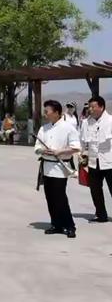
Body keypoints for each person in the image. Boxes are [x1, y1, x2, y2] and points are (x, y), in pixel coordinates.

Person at [34, 100, 81, 238]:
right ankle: (56, 224)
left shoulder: (68, 128)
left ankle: (70, 226)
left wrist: (60, 152)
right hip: (47, 166)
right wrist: (42, 151)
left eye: (47, 111)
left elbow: (76, 147)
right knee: (50, 197)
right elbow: (37, 147)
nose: (45, 114)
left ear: (56, 112)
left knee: (60, 198)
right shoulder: (44, 128)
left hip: (60, 168)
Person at [80, 96, 112, 223]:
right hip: (93, 161)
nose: (91, 109)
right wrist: (82, 156)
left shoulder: (110, 121)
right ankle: (101, 215)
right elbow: (82, 141)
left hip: (109, 161)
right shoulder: (86, 123)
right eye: (89, 107)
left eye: (93, 107)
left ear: (101, 107)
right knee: (95, 189)